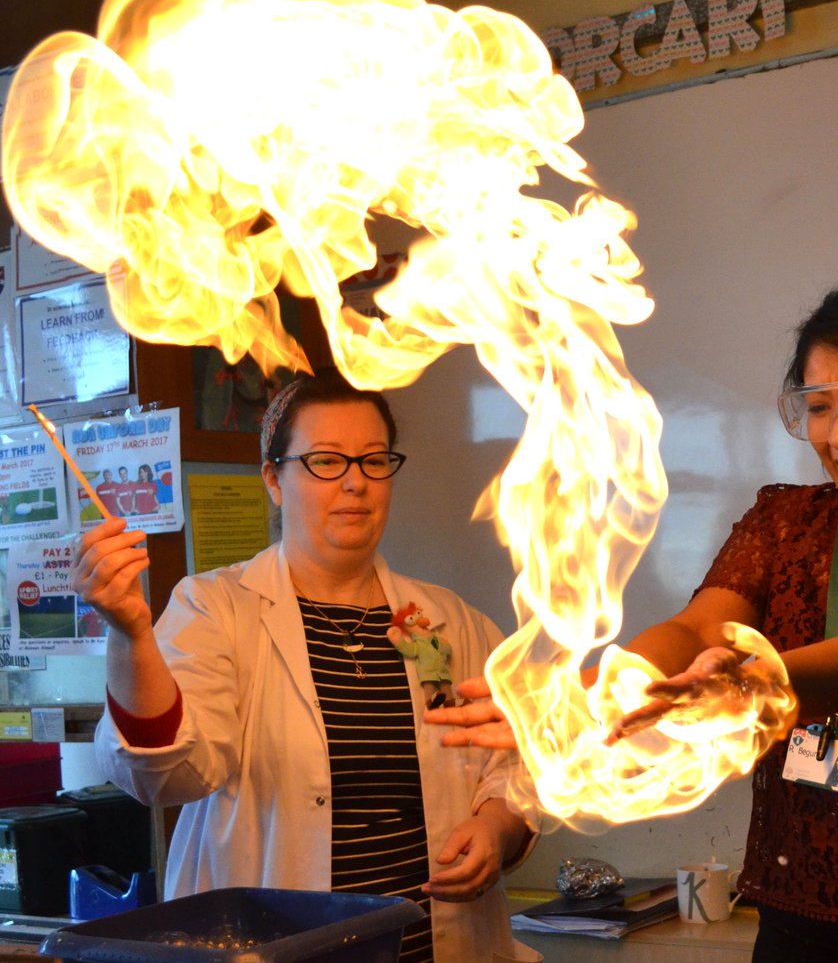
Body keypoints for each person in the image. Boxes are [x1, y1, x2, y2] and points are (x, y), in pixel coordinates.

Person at [428, 279, 838, 962]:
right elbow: (696, 630)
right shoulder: (785, 520)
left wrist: (741, 688)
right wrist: (614, 689)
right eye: (819, 407)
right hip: (800, 914)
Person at [77, 369, 540, 963]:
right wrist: (129, 634)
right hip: (276, 949)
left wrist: (500, 828)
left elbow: (517, 765)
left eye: (374, 461)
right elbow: (168, 775)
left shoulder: (455, 622)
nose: (355, 484)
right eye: (326, 461)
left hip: (435, 948)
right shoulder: (216, 609)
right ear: (274, 478)